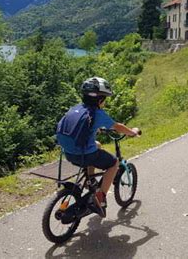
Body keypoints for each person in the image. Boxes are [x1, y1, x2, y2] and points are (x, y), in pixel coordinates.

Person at [57, 77, 140, 218]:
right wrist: (132, 132)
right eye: (105, 99)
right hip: (85, 154)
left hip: (68, 153)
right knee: (114, 163)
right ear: (100, 100)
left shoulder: (76, 109)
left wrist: (97, 129)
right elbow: (118, 126)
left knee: (98, 145)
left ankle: (91, 180)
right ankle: (100, 197)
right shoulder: (97, 113)